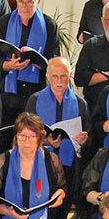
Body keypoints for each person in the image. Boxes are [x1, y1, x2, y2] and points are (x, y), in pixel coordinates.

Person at [0, 0, 59, 126]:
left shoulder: (49, 26)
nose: (25, 7)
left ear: (38, 1)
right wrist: (8, 65)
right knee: (5, 135)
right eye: (21, 2)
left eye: (30, 2)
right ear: (16, 0)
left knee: (31, 132)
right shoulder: (4, 23)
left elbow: (55, 59)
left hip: (34, 92)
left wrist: (37, 62)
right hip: (7, 92)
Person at [27, 56, 90, 207]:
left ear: (70, 75)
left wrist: (84, 140)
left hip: (68, 167)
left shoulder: (80, 104)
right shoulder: (35, 100)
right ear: (48, 76)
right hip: (40, 162)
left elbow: (90, 135)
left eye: (63, 76)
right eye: (55, 76)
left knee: (61, 210)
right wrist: (46, 141)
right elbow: (25, 134)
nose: (59, 80)